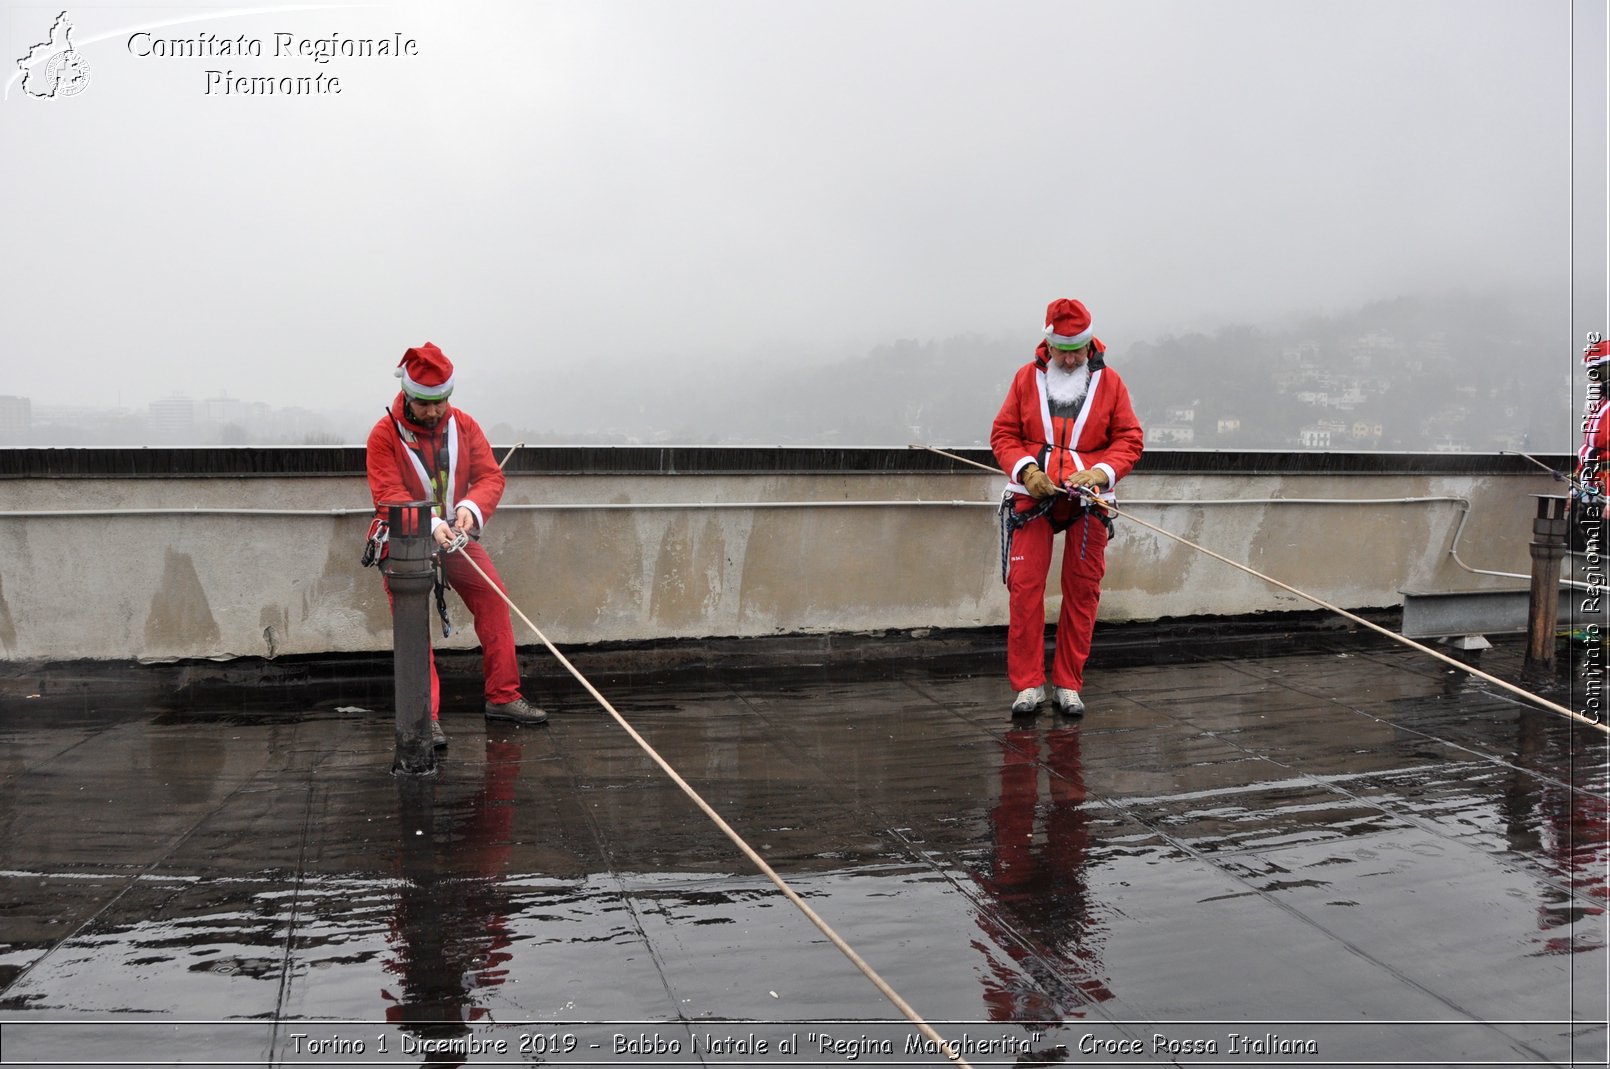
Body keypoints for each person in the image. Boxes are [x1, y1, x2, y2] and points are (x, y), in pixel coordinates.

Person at [365, 342, 548, 748]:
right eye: (424, 403)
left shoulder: (464, 425)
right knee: (415, 628)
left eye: (441, 402)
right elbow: (389, 496)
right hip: (405, 542)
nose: (433, 412)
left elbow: (489, 478)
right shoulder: (383, 435)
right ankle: (424, 716)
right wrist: (430, 524)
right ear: (407, 396)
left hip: (455, 535)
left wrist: (470, 509)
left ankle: (503, 697)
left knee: (494, 600)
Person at [991, 298, 1144, 718]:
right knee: (1024, 588)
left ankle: (1068, 683)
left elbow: (1129, 439)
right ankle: (1027, 685)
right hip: (1033, 498)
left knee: (1083, 590)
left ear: (1091, 342)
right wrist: (1025, 471)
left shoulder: (1111, 383)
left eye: (1079, 349)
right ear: (1048, 345)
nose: (1072, 359)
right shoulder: (1026, 379)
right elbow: (1003, 433)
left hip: (1089, 499)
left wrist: (1100, 473)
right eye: (1064, 350)